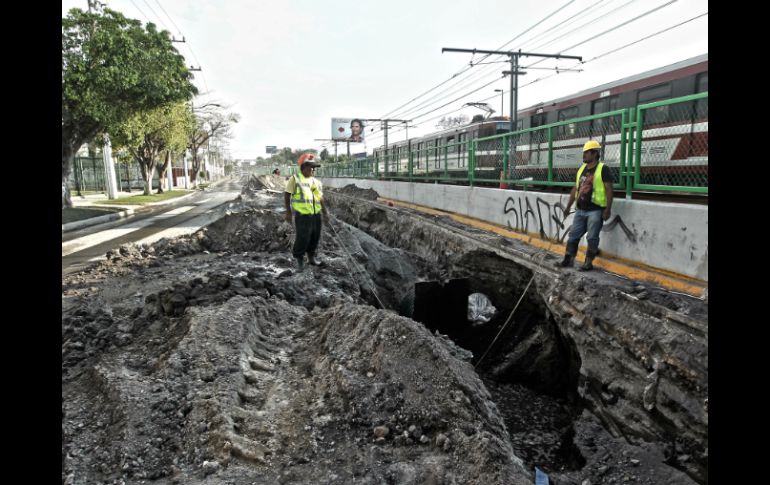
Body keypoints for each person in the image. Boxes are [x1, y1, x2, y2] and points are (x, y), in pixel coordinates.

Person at [555, 140, 614, 271]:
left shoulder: (603, 169)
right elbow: (575, 188)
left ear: (595, 154)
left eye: (587, 152)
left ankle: (588, 262)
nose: (584, 155)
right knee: (573, 235)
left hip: (595, 210)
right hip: (580, 210)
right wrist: (568, 207)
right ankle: (568, 260)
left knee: (592, 237)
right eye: (584, 152)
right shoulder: (581, 169)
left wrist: (607, 210)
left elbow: (609, 189)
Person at [284, 153, 329, 271]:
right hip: (303, 215)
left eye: (314, 167)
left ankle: (311, 258)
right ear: (303, 167)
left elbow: (320, 197)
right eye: (311, 167)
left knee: (315, 236)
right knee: (303, 237)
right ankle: (299, 260)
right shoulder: (295, 179)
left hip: (316, 215)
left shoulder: (316, 182)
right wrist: (288, 212)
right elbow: (287, 194)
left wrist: (325, 212)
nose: (313, 169)